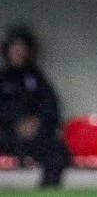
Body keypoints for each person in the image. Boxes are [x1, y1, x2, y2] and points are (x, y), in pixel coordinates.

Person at [0, 26, 68, 188]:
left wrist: (37, 122)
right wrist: (12, 123)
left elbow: (52, 109)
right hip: (5, 134)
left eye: (22, 48)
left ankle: (47, 191)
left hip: (34, 137)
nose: (18, 52)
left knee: (57, 150)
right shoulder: (2, 78)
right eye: (15, 47)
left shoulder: (38, 79)